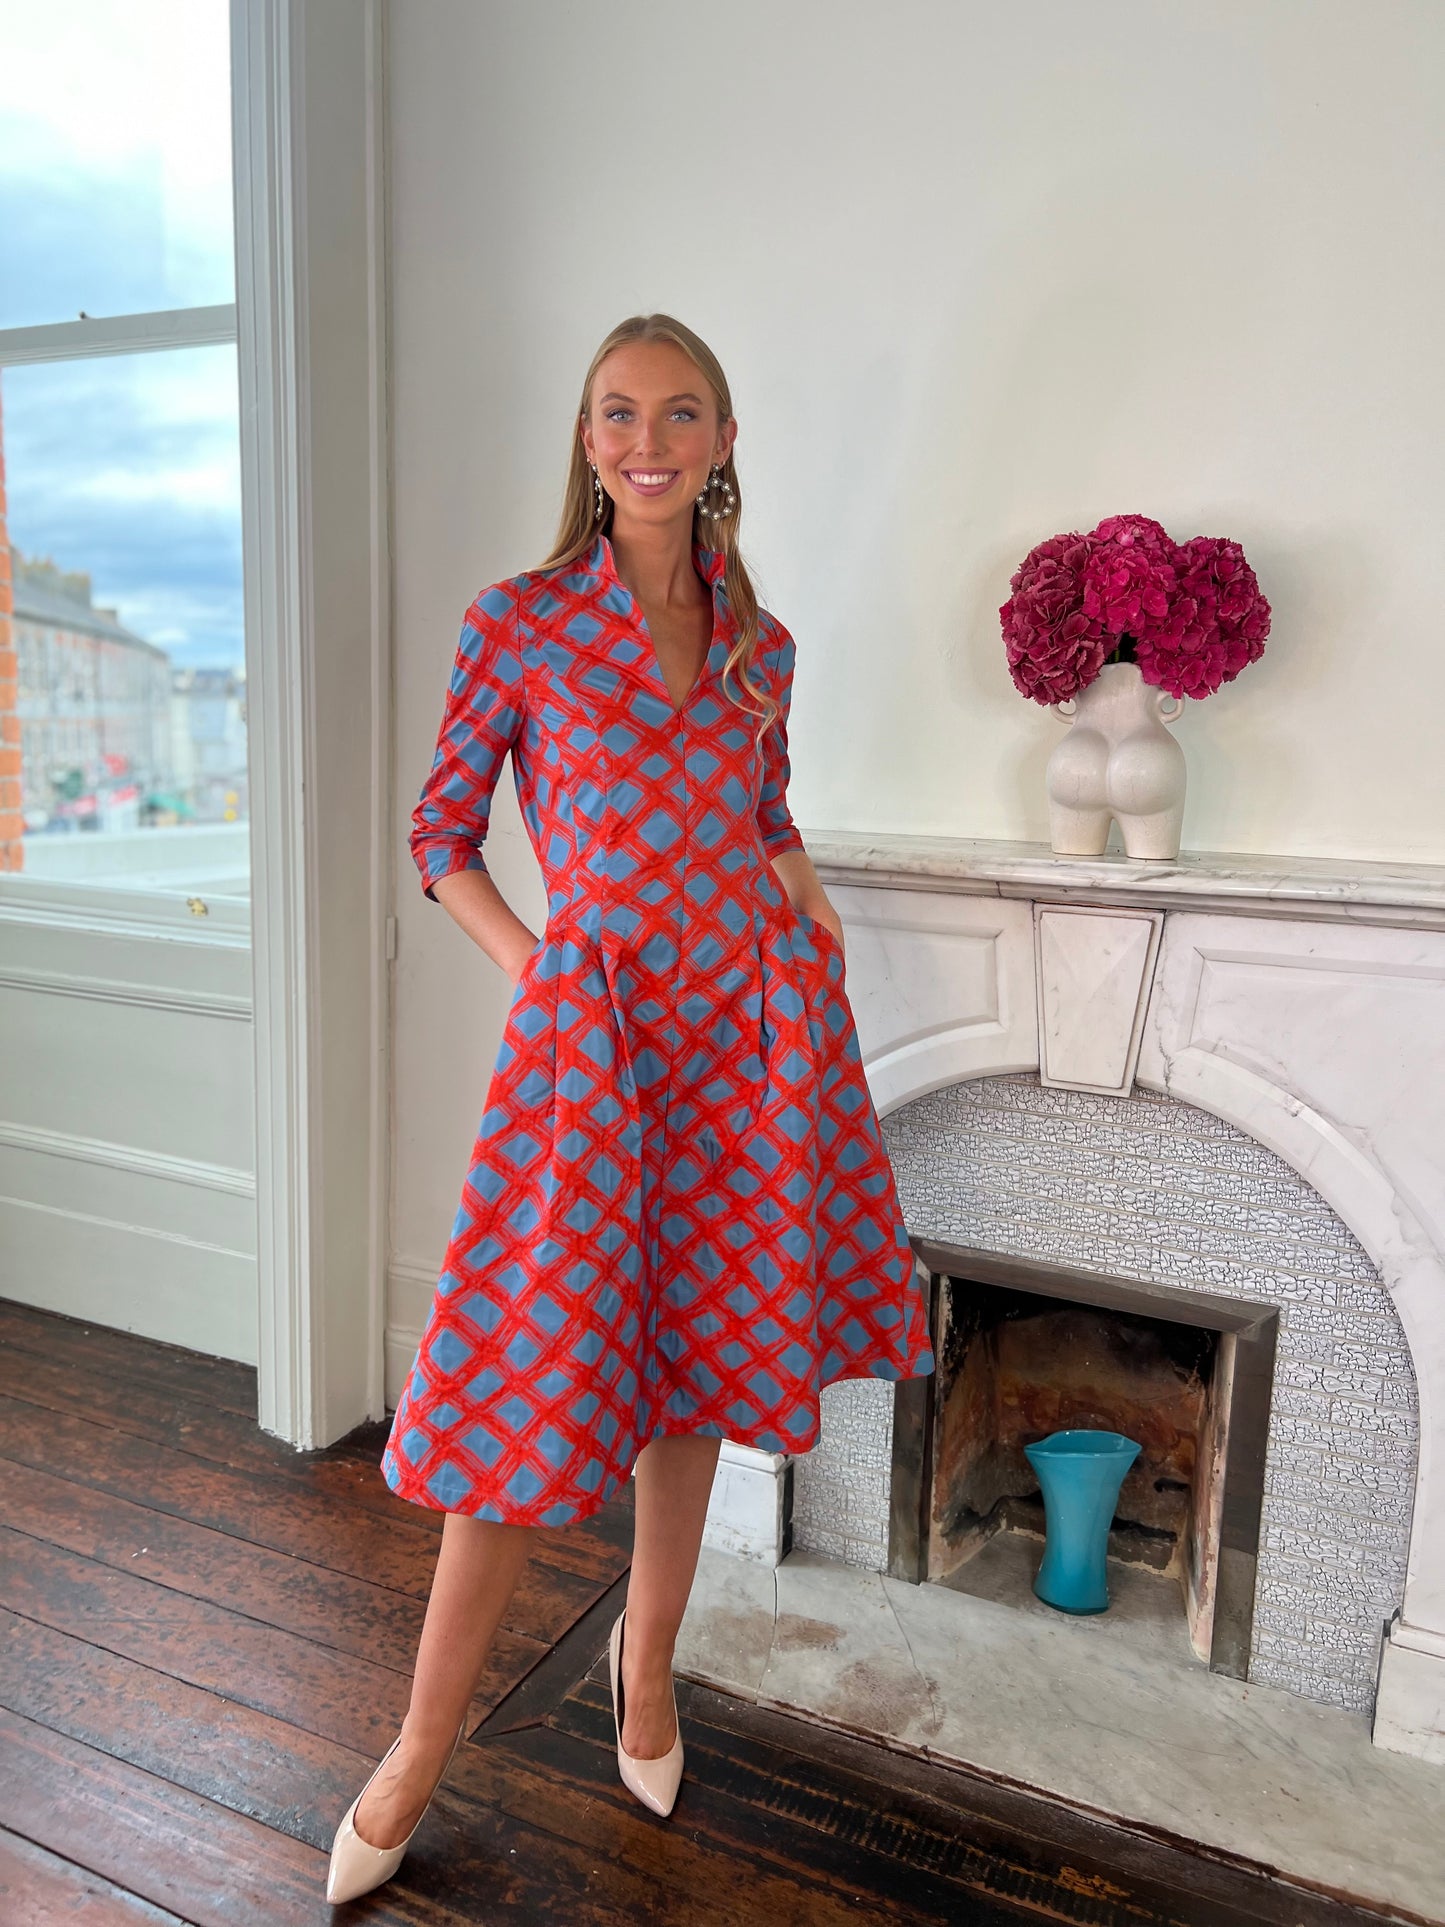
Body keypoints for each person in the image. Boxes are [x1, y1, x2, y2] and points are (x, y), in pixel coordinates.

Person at [326, 314, 935, 1904]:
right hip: (590, 1049)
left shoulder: (759, 642)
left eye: (680, 412)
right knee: (518, 1397)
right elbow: (440, 833)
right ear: (586, 440)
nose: (647, 437)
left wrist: (815, 927)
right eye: (618, 412)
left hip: (748, 1038)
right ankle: (417, 1746)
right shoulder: (518, 623)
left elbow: (764, 805)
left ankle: (644, 1672)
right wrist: (534, 966)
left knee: (691, 1372)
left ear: (723, 441)